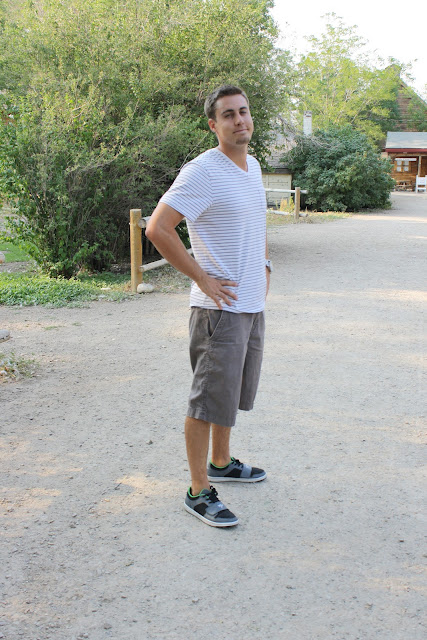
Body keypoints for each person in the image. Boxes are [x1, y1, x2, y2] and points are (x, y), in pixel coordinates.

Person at [146, 85, 271, 527]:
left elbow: (257, 222)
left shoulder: (252, 166)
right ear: (213, 125)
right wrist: (201, 277)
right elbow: (158, 228)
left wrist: (265, 264)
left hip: (249, 305)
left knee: (229, 394)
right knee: (207, 400)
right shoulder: (203, 171)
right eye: (228, 115)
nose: (239, 120)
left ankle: (221, 463)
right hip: (218, 312)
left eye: (243, 111)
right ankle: (198, 490)